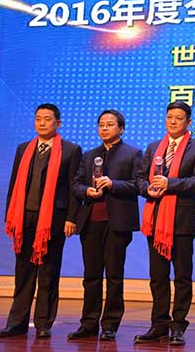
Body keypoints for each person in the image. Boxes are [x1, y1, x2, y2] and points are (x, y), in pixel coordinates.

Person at [0, 103, 82, 339]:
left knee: (48, 273)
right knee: (23, 273)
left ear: (58, 123)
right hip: (24, 219)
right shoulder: (24, 149)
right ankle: (17, 323)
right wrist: (10, 216)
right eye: (38, 118)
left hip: (54, 220)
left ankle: (44, 323)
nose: (42, 123)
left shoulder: (71, 150)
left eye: (47, 119)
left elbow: (74, 188)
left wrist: (71, 218)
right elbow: (14, 184)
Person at [134, 101, 195, 346]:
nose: (173, 121)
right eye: (169, 117)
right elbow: (139, 178)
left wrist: (170, 184)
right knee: (157, 276)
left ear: (188, 122)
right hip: (155, 219)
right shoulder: (154, 147)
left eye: (178, 117)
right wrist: (147, 189)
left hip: (181, 221)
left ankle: (178, 326)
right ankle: (158, 324)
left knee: (182, 276)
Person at [67, 110, 142, 341]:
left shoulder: (133, 154)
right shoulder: (89, 155)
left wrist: (113, 184)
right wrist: (87, 191)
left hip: (117, 223)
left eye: (110, 124)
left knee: (114, 276)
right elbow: (75, 185)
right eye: (101, 124)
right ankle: (88, 324)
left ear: (121, 128)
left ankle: (110, 324)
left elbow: (138, 185)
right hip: (91, 222)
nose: (105, 128)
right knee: (91, 276)